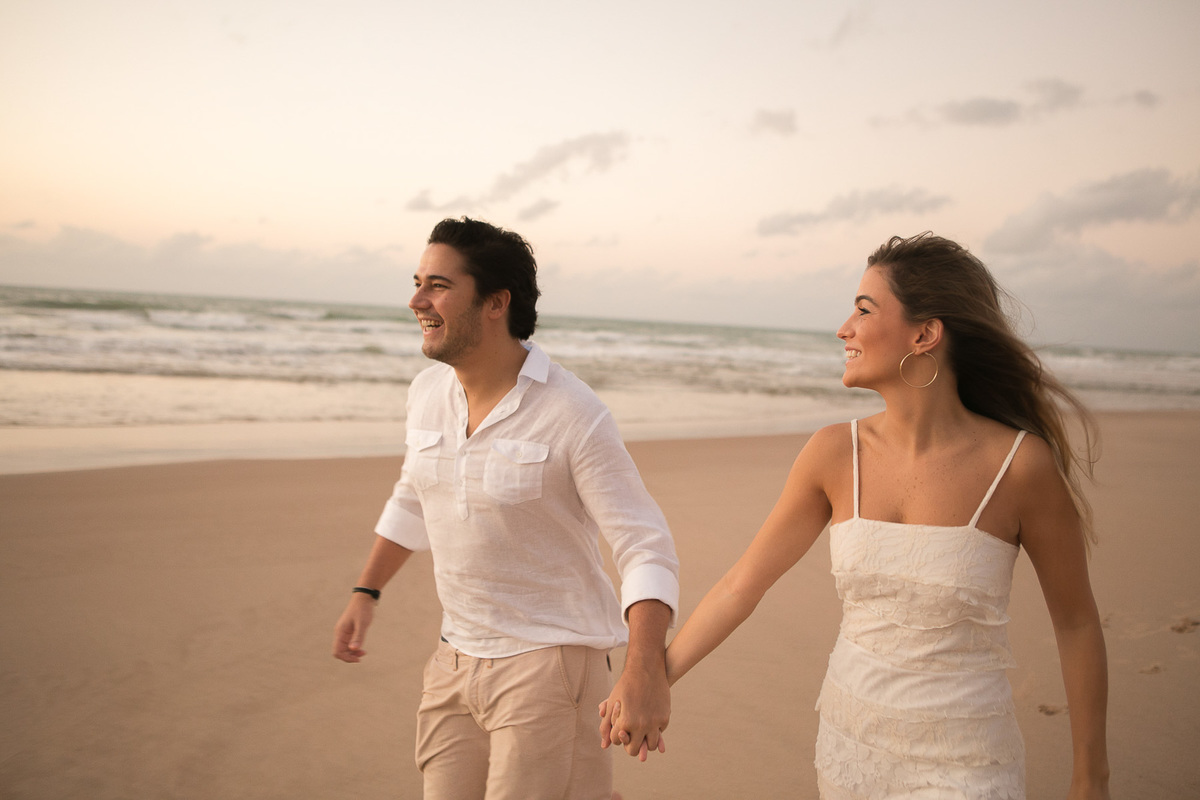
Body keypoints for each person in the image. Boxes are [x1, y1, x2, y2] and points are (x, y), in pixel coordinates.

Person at [605, 232, 1110, 798]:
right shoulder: (833, 454)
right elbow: (740, 587)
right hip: (850, 750)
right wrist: (650, 678)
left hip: (967, 759)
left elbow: (1077, 624)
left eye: (864, 310)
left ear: (924, 334)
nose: (844, 328)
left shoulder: (1019, 466)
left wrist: (1091, 777)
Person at [333, 217, 679, 800]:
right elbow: (415, 494)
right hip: (453, 664)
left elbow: (643, 543)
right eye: (418, 281)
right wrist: (365, 593)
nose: (416, 300)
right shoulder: (426, 394)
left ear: (495, 303)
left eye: (437, 285)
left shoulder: (572, 412)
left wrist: (644, 667)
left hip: (551, 667)